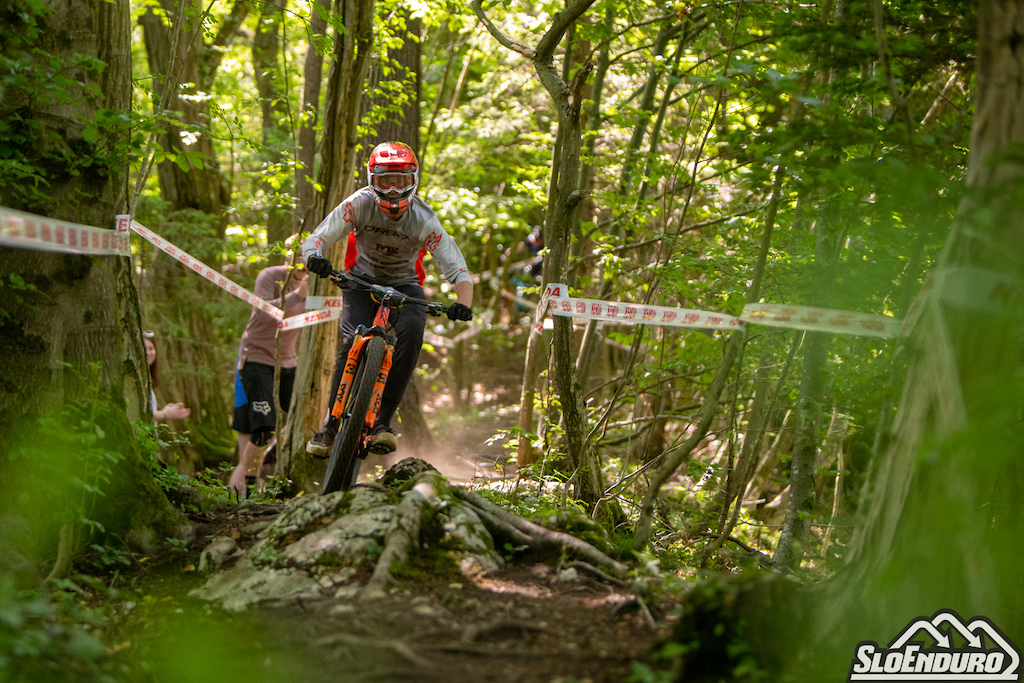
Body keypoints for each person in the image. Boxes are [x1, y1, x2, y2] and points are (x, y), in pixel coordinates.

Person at [302, 141, 474, 458]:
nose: (393, 192)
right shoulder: (359, 204)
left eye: (401, 183)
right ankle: (329, 425)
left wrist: (463, 302)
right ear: (372, 180)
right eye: (385, 182)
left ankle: (382, 423)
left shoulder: (424, 219)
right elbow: (317, 237)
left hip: (405, 286)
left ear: (414, 180)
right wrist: (315, 257)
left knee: (411, 333)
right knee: (350, 341)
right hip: (360, 279)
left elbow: (458, 269)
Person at [228, 261, 308, 495]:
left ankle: (281, 480)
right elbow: (263, 314)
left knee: (298, 421)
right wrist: (297, 295)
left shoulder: (316, 280)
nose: (304, 269)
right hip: (257, 360)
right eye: (300, 262)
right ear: (289, 258)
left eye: (308, 262)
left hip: (288, 362)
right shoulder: (270, 276)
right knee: (262, 431)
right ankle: (249, 496)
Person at [143, 331, 191, 424]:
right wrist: (165, 414)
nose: (148, 353)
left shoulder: (148, 380)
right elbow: (138, 417)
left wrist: (167, 411)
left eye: (151, 348)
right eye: (144, 349)